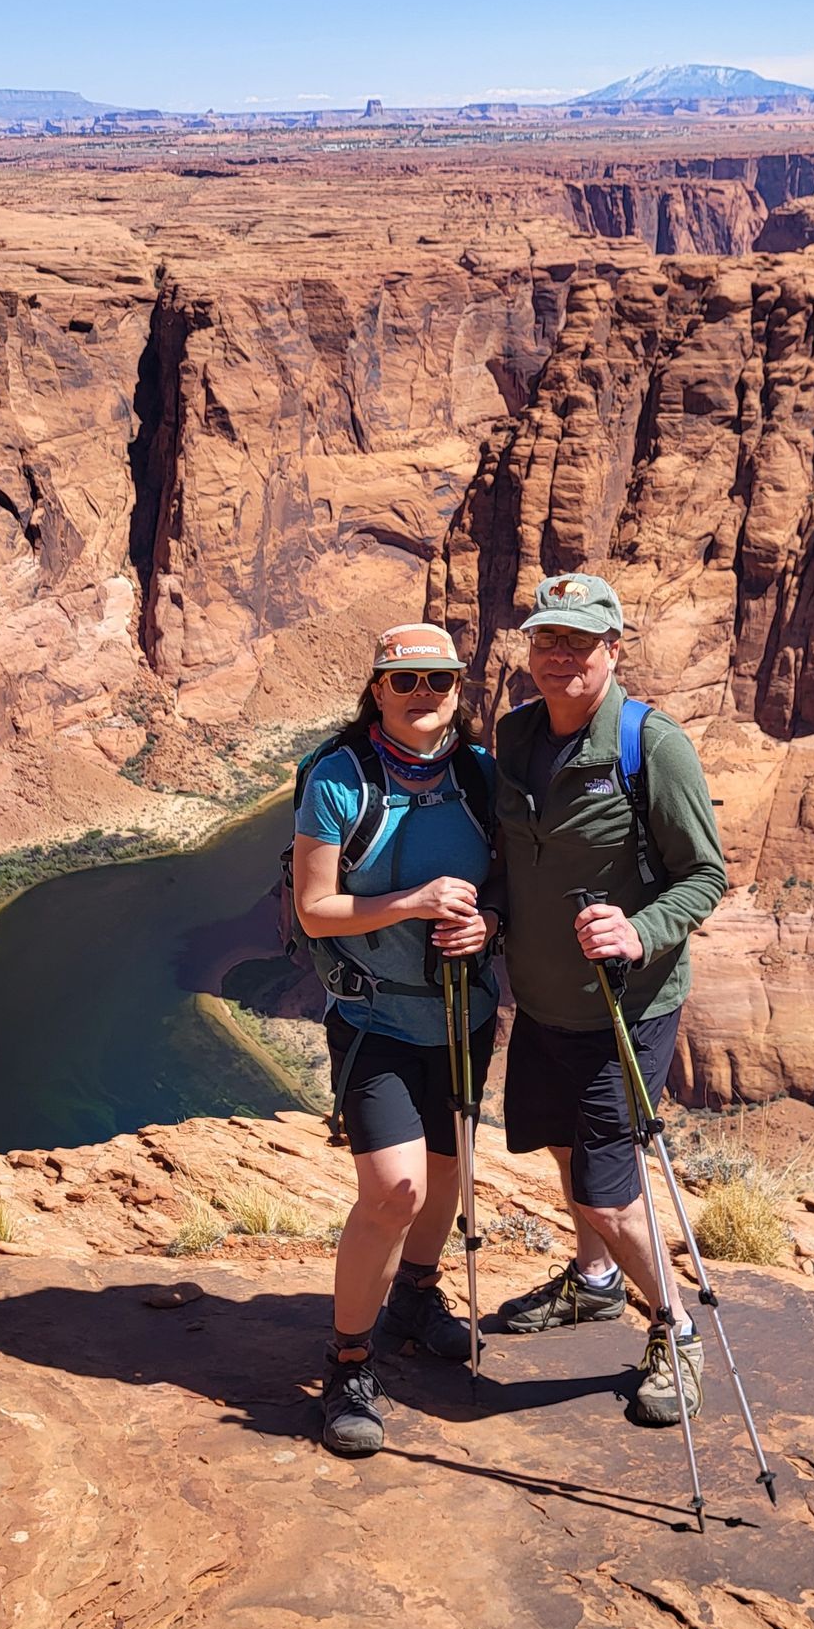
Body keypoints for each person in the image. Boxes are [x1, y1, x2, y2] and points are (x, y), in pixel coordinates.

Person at [491, 571, 727, 1427]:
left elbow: (705, 875)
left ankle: (675, 1331)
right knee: (561, 1148)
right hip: (544, 1000)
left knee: (608, 1189)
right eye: (547, 639)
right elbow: (506, 855)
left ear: (613, 649)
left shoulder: (649, 745)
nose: (560, 657)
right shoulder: (515, 737)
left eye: (579, 643)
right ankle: (594, 1283)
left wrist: (640, 930)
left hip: (625, 1012)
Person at [292, 623, 496, 1459]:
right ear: (375, 689)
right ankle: (348, 1360)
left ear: (458, 689)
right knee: (394, 1191)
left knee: (447, 1170)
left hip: (464, 1015)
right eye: (403, 682)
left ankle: (416, 1295)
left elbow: (510, 892)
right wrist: (410, 903)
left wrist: (485, 926)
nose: (423, 697)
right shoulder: (340, 779)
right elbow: (315, 908)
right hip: (375, 1018)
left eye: (438, 682)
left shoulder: (480, 779)